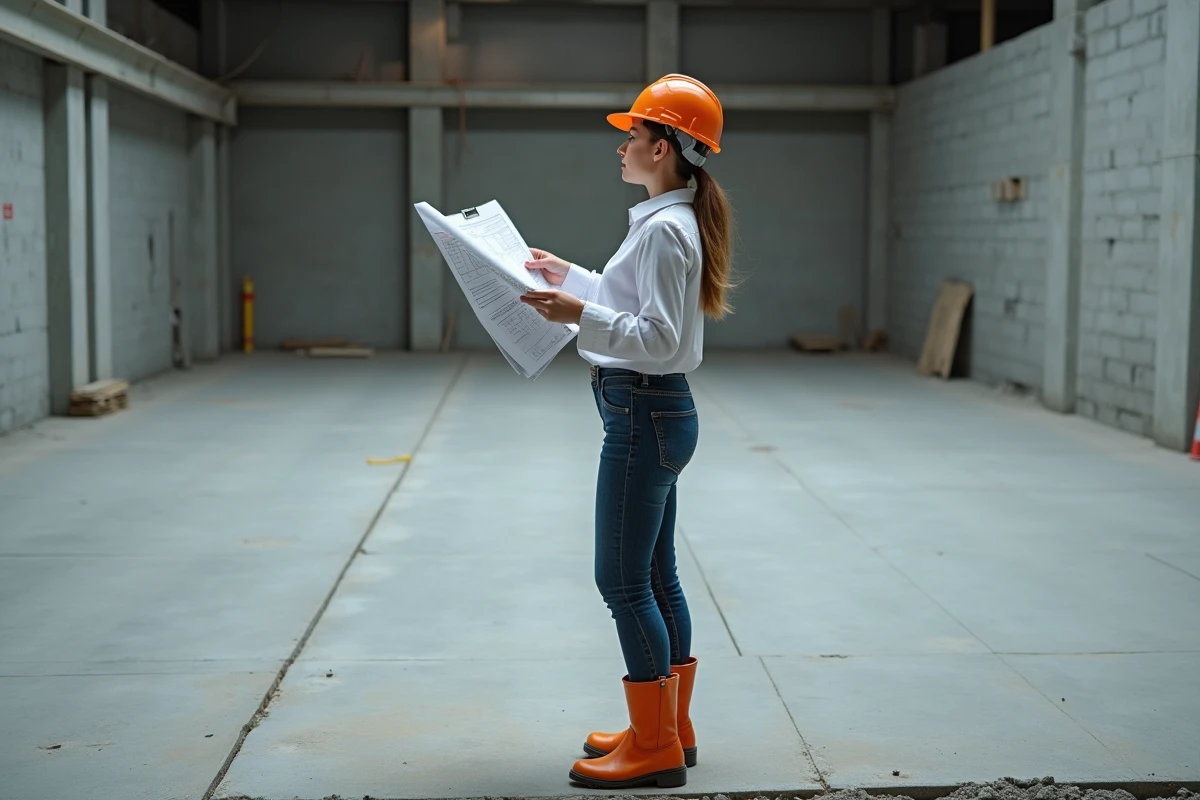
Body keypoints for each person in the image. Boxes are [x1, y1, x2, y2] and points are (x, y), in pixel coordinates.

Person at [518, 74, 735, 790]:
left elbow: (662, 338)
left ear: (664, 145)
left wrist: (575, 314)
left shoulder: (668, 232)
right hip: (652, 412)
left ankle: (654, 747)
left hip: (645, 412)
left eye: (634, 133)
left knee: (620, 578)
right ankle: (669, 726)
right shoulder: (660, 223)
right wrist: (572, 280)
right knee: (654, 575)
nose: (623, 143)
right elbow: (633, 303)